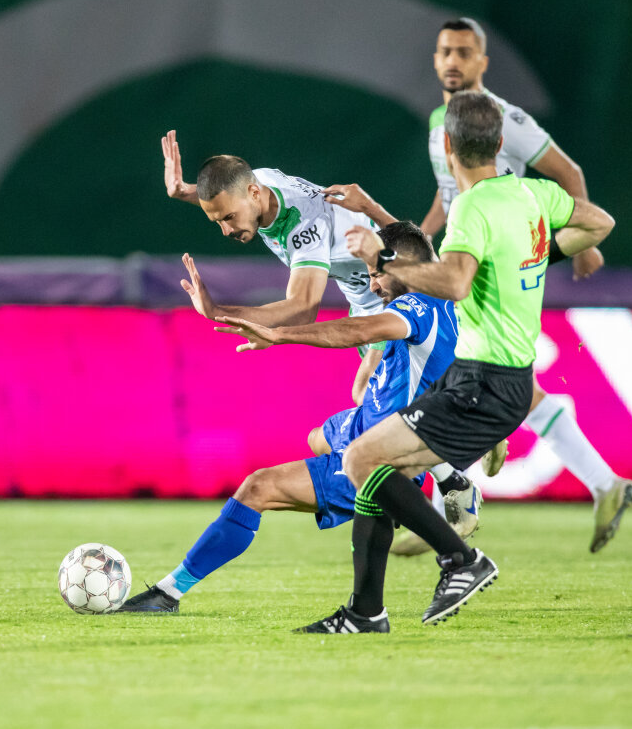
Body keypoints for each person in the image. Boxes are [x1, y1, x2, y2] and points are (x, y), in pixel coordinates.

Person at [327, 91, 616, 629]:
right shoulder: (533, 194)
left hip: (483, 383)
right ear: (501, 143)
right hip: (501, 379)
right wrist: (535, 256)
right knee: (378, 468)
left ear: (447, 146)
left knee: (361, 460)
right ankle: (365, 611)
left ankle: (461, 559)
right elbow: (600, 223)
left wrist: (383, 258)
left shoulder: (471, 207)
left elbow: (455, 281)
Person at [115, 222, 456, 632]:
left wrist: (279, 334)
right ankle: (406, 502)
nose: (372, 284)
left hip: (380, 451)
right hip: (369, 425)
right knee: (317, 437)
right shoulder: (445, 305)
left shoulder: (416, 307)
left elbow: (357, 330)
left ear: (403, 267)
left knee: (258, 487)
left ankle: (168, 592)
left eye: (377, 273)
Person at [162, 132, 481, 531]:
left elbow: (302, 308)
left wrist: (217, 311)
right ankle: (443, 470)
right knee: (348, 416)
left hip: (395, 295)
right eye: (219, 220)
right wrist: (185, 191)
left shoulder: (304, 227)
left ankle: (445, 474)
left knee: (373, 402)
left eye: (227, 218)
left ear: (255, 194)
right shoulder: (256, 184)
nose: (226, 230)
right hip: (372, 293)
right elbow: (231, 194)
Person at [412, 17, 632, 554]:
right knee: (489, 375)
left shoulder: (504, 119)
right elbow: (449, 191)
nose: (452, 61)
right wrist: (421, 237)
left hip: (496, 261)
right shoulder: (441, 120)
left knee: (446, 362)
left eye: (463, 52)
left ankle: (454, 499)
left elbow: (568, 173)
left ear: (483, 62)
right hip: (466, 253)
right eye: (444, 51)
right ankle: (600, 482)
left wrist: (581, 244)